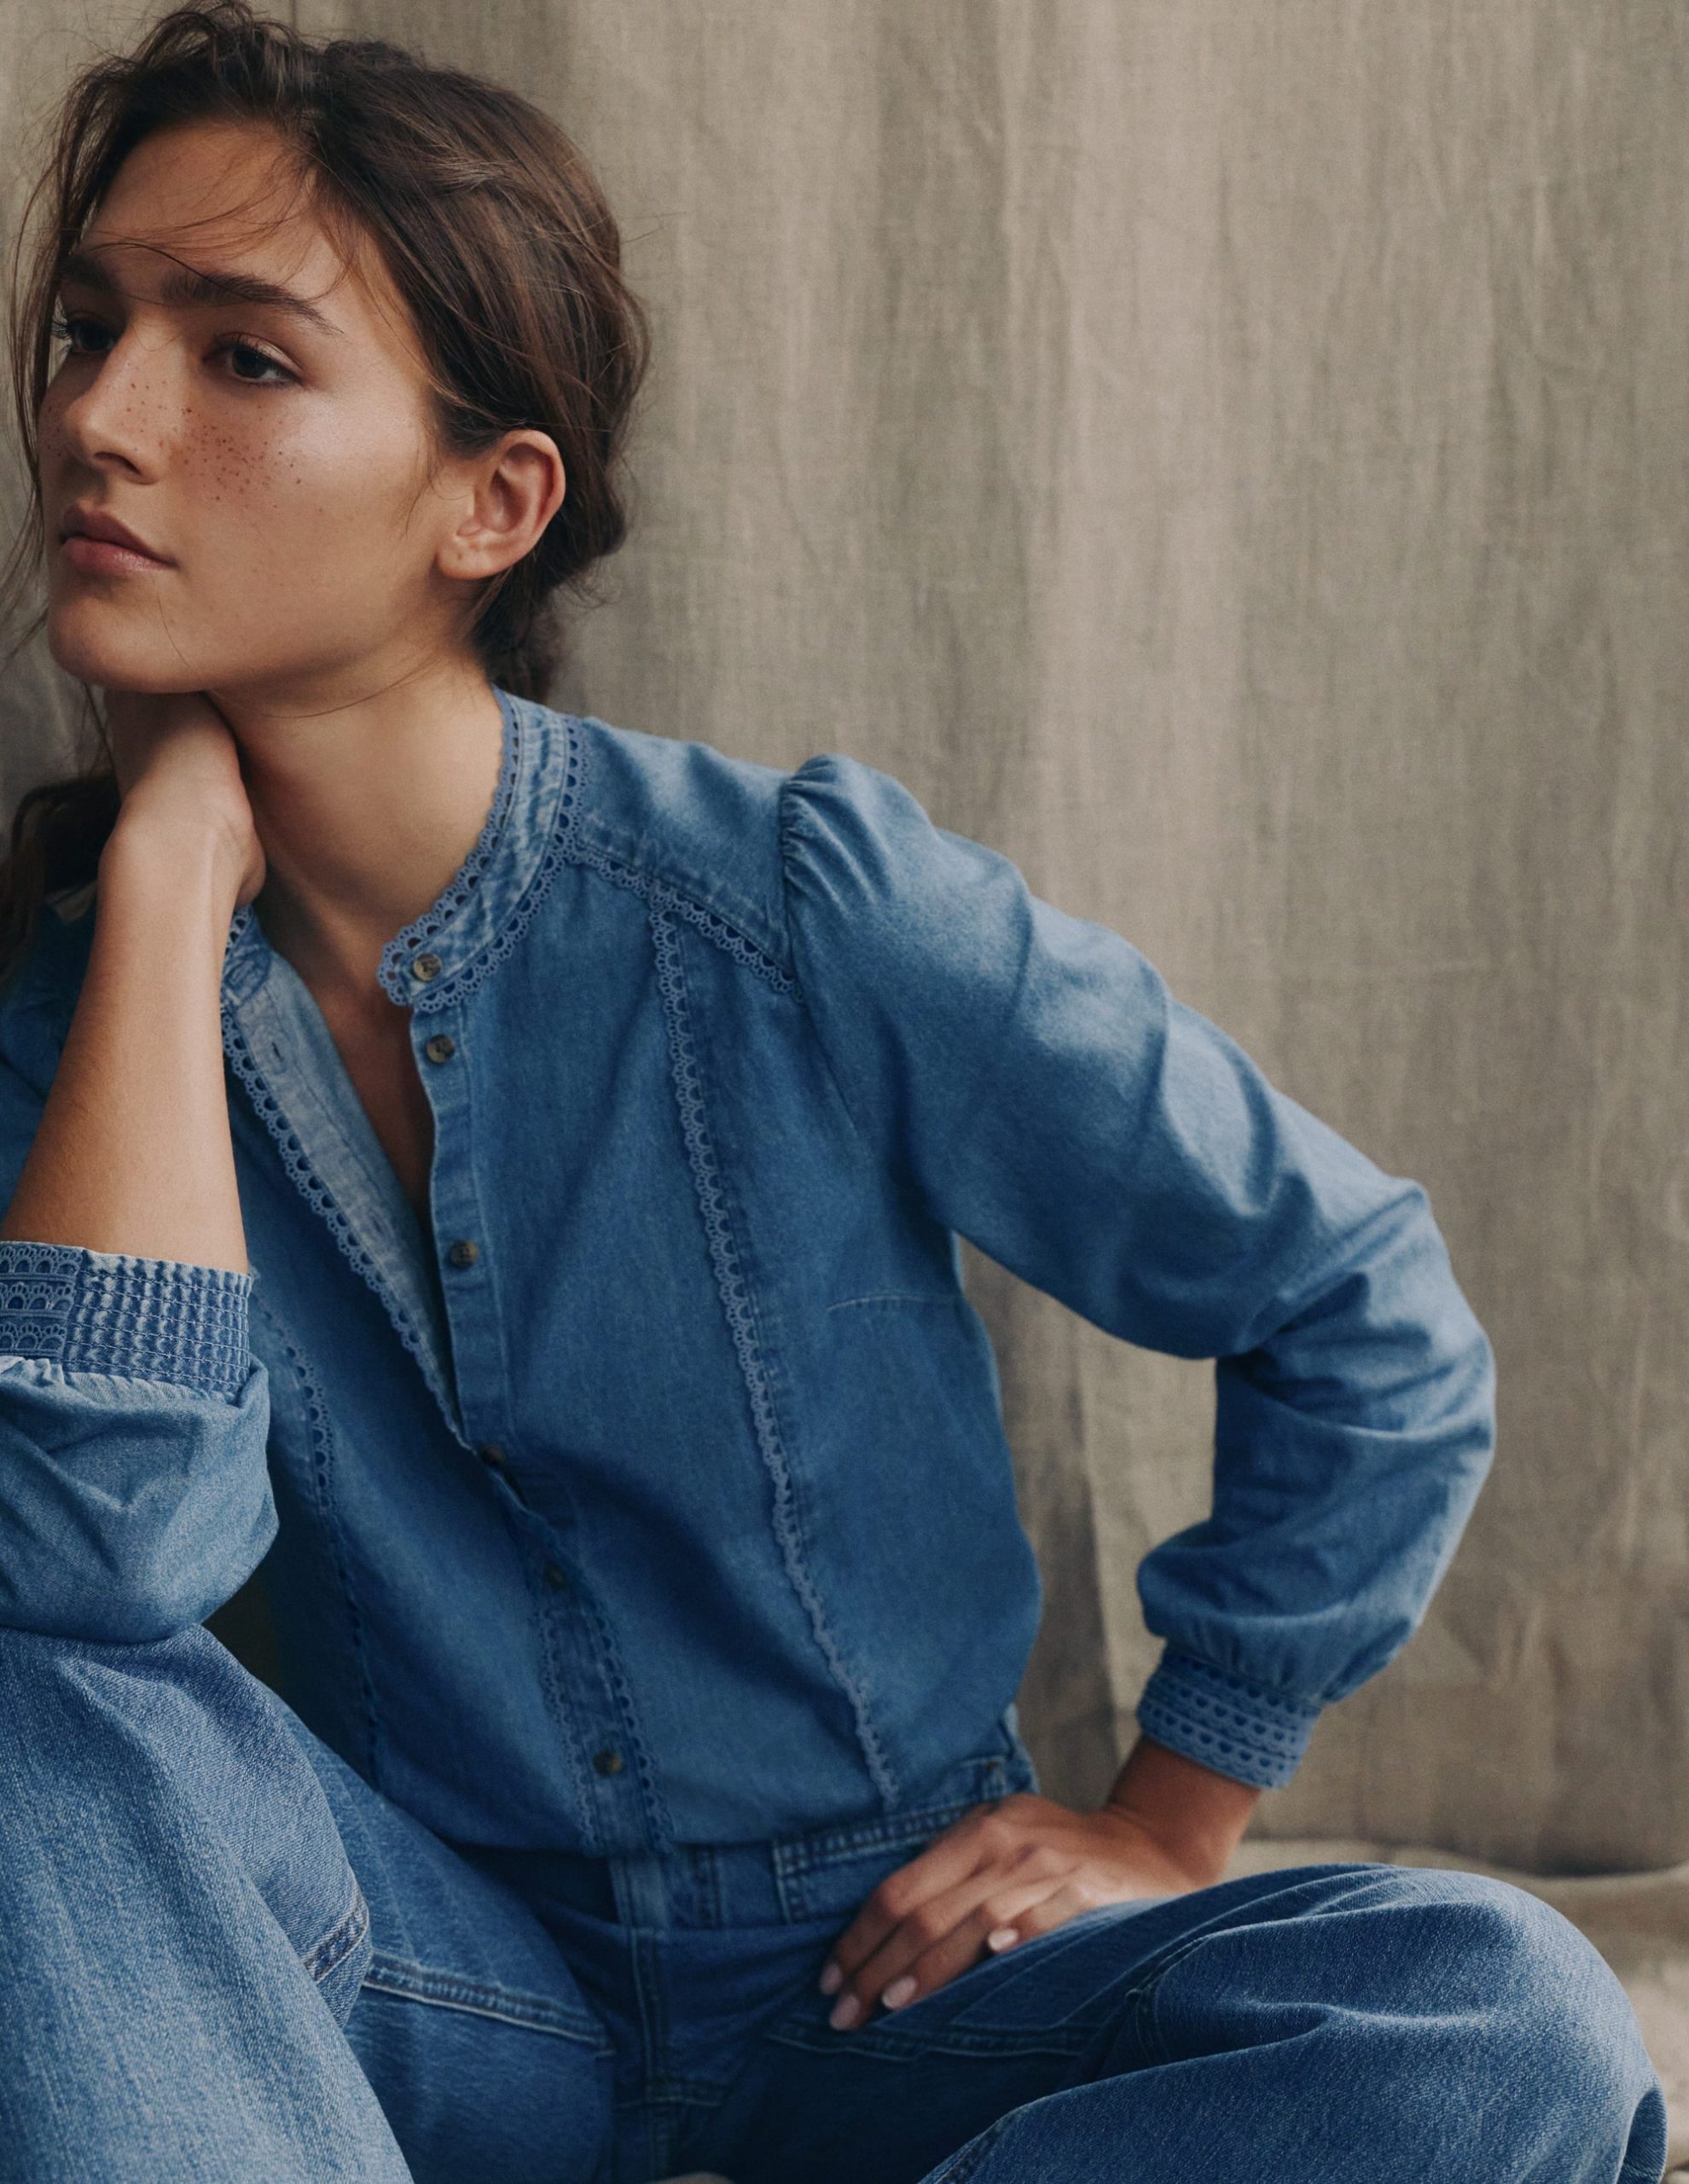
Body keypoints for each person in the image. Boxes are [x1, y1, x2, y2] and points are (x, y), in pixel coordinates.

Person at [0, 7, 1668, 2181]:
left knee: (1499, 2013)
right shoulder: (78, 1032)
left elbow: (1358, 1303)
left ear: (492, 501)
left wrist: (1174, 1812)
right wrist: (162, 883)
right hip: (446, 1986)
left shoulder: (800, 905)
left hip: (900, 1977)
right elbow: (90, 1565)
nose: (96, 417)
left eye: (240, 356)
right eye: (89, 329)